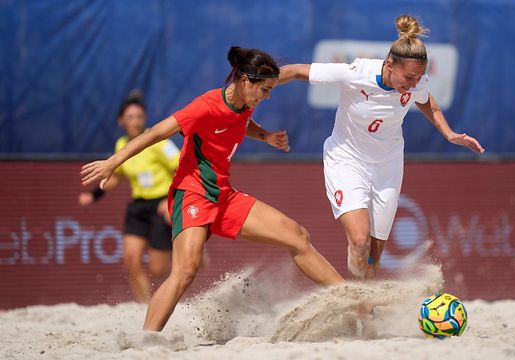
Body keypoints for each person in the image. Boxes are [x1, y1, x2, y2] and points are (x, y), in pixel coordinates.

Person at [81, 46, 345, 331]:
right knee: (185, 270)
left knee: (298, 236)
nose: (267, 96)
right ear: (245, 80)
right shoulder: (205, 106)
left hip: (223, 195)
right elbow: (155, 133)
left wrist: (265, 135)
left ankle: (353, 299)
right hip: (192, 193)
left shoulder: (245, 102)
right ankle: (148, 342)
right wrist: (114, 161)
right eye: (265, 90)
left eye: (270, 90)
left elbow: (239, 120)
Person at [278, 15, 485, 280]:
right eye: (409, 77)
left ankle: (364, 313)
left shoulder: (415, 83)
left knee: (374, 258)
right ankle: (352, 295)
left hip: (387, 166)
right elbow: (295, 70)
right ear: (389, 64)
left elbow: (427, 101)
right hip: (348, 159)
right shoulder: (355, 74)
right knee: (360, 240)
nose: (412, 84)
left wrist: (449, 134)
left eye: (418, 78)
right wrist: (260, 85)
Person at [79, 92, 179, 303]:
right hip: (138, 207)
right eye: (131, 117)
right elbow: (115, 178)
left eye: (139, 117)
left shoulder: (157, 140)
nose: (136, 121)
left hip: (162, 204)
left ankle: (191, 257)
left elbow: (181, 167)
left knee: (158, 269)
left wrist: (169, 199)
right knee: (131, 261)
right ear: (121, 121)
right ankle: (147, 307)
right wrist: (93, 196)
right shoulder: (121, 145)